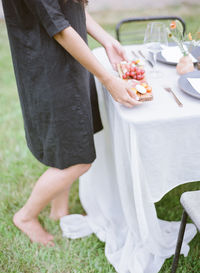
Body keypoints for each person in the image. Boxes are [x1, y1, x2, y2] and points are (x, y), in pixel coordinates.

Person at [2, 0, 141, 246]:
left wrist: (107, 40)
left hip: (70, 63)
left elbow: (69, 11)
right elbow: (59, 28)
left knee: (66, 149)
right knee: (78, 160)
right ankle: (25, 216)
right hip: (51, 71)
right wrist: (108, 79)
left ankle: (59, 210)